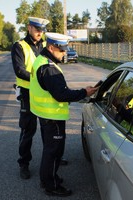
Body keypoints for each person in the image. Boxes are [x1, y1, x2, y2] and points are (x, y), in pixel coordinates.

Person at [29, 32, 98, 197]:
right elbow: (61, 94)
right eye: (62, 50)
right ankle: (50, 185)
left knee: (50, 151)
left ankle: (48, 178)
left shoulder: (41, 61)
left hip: (45, 115)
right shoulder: (49, 68)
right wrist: (85, 92)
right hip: (53, 118)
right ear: (51, 48)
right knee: (53, 152)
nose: (65, 53)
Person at [11, 17, 68, 180]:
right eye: (37, 29)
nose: (40, 33)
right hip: (28, 93)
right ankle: (24, 163)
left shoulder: (45, 45)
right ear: (29, 28)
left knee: (47, 128)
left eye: (42, 30)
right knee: (28, 129)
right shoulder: (19, 46)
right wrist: (40, 78)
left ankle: (51, 158)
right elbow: (19, 70)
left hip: (43, 93)